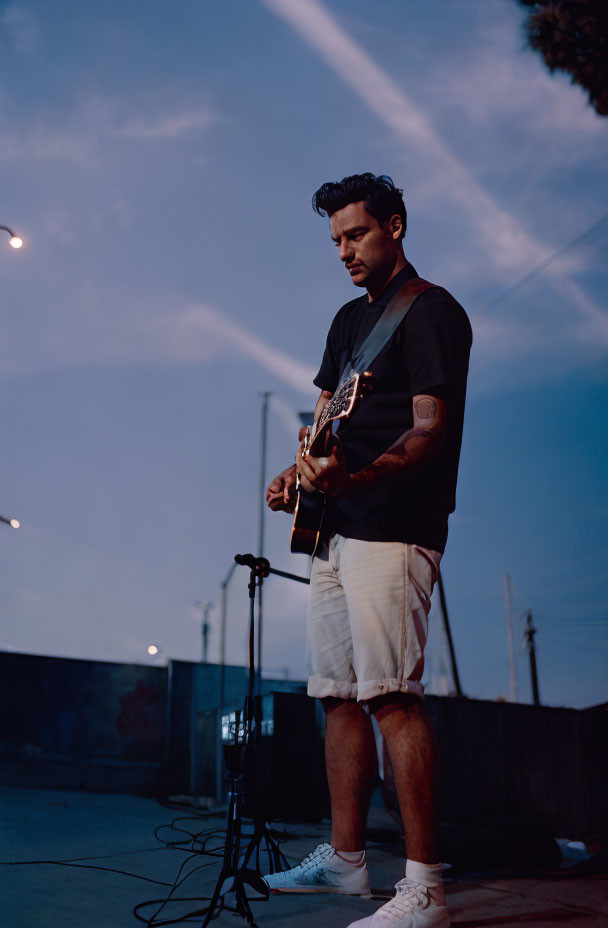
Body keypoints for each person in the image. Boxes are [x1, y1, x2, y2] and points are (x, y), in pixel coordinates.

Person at [264, 173, 472, 928]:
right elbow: (325, 417)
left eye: (355, 235)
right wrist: (300, 475)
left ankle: (424, 889)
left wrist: (356, 477)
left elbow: (427, 430)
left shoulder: (433, 312)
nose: (344, 251)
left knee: (391, 696)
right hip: (333, 526)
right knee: (339, 698)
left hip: (395, 525)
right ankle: (347, 864)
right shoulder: (348, 321)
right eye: (335, 241)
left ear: (396, 225)